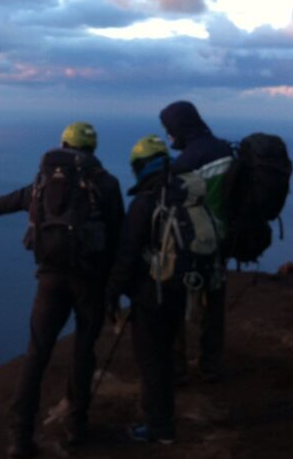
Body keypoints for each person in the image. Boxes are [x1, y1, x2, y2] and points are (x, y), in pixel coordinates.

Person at [0, 122, 124, 458]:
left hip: (50, 279)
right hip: (90, 280)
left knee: (37, 354)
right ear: (92, 149)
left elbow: (18, 199)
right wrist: (117, 285)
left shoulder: (45, 182)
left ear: (63, 144)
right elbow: (117, 236)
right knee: (84, 351)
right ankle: (76, 427)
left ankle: (20, 437)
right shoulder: (105, 183)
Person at [105, 134, 185, 445]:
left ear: (141, 165)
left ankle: (159, 428)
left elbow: (127, 256)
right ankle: (165, 418)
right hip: (182, 289)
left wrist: (112, 294)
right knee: (165, 356)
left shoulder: (146, 202)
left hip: (152, 295)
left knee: (151, 360)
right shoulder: (184, 191)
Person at [159, 100, 233, 382]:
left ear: (180, 128)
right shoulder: (225, 149)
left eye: (169, 129)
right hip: (223, 237)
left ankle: (177, 368)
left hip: (193, 242)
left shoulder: (186, 163)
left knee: (174, 299)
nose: (169, 136)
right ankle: (211, 364)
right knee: (214, 302)